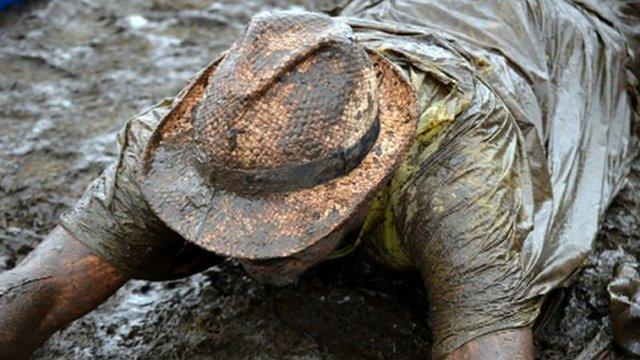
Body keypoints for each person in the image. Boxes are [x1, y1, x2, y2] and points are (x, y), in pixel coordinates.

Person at [1, 1, 639, 359]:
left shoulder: (457, 174)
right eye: (224, 216)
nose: (234, 248)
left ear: (365, 186)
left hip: (557, 34)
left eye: (279, 226)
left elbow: (490, 347)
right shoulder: (189, 142)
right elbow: (42, 288)